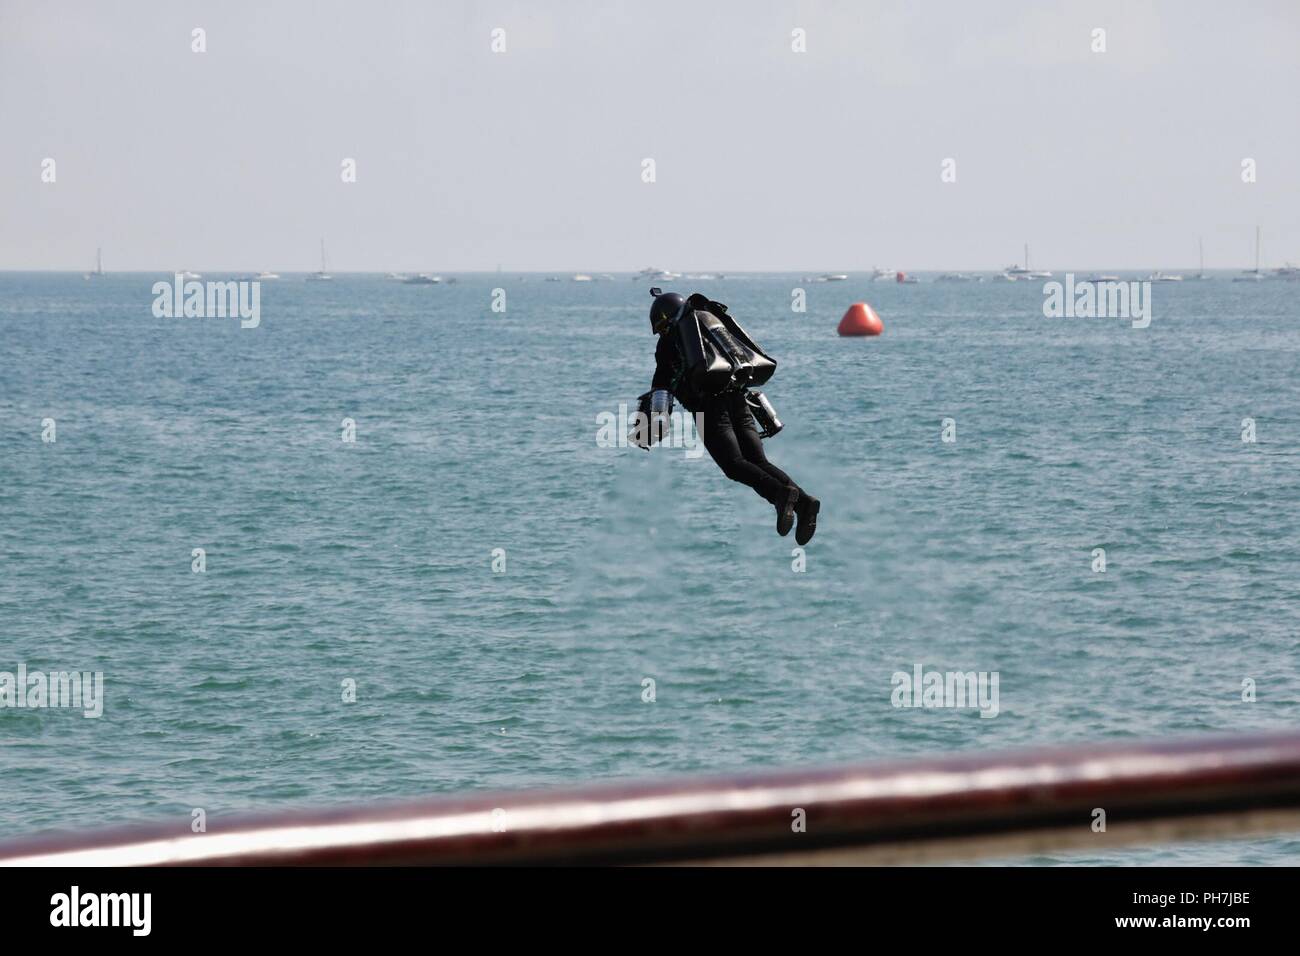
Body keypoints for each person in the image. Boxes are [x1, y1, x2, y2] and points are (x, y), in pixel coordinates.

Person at [640, 290, 819, 544]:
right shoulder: (710, 325)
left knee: (733, 465)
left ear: (667, 321)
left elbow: (661, 386)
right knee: (758, 461)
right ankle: (804, 503)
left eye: (660, 326)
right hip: (738, 397)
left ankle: (781, 495)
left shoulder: (670, 343)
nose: (660, 332)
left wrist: (650, 425)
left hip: (709, 408)